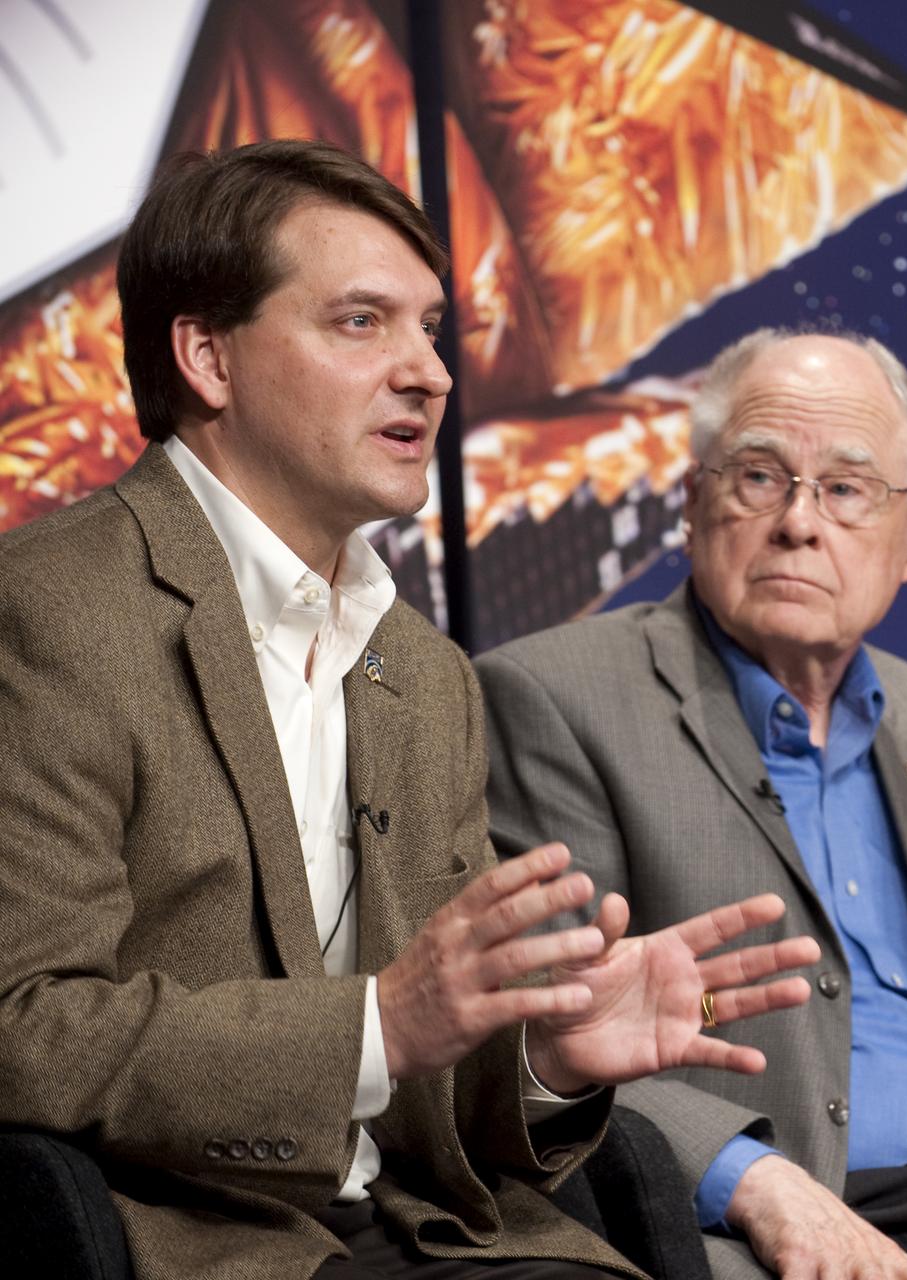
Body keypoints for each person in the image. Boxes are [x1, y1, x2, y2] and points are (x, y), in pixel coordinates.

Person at [0, 144, 821, 1280]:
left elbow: (422, 1070)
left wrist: (543, 1057)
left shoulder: (425, 671)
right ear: (206, 356)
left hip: (440, 1233)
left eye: (432, 328)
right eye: (361, 323)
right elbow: (24, 1025)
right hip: (197, 1241)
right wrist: (378, 1023)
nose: (429, 372)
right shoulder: (46, 606)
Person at [477, 328, 907, 1280]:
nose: (800, 523)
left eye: (848, 488)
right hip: (769, 1225)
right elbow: (541, 1039)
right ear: (693, 502)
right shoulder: (553, 700)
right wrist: (756, 1180)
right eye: (759, 477)